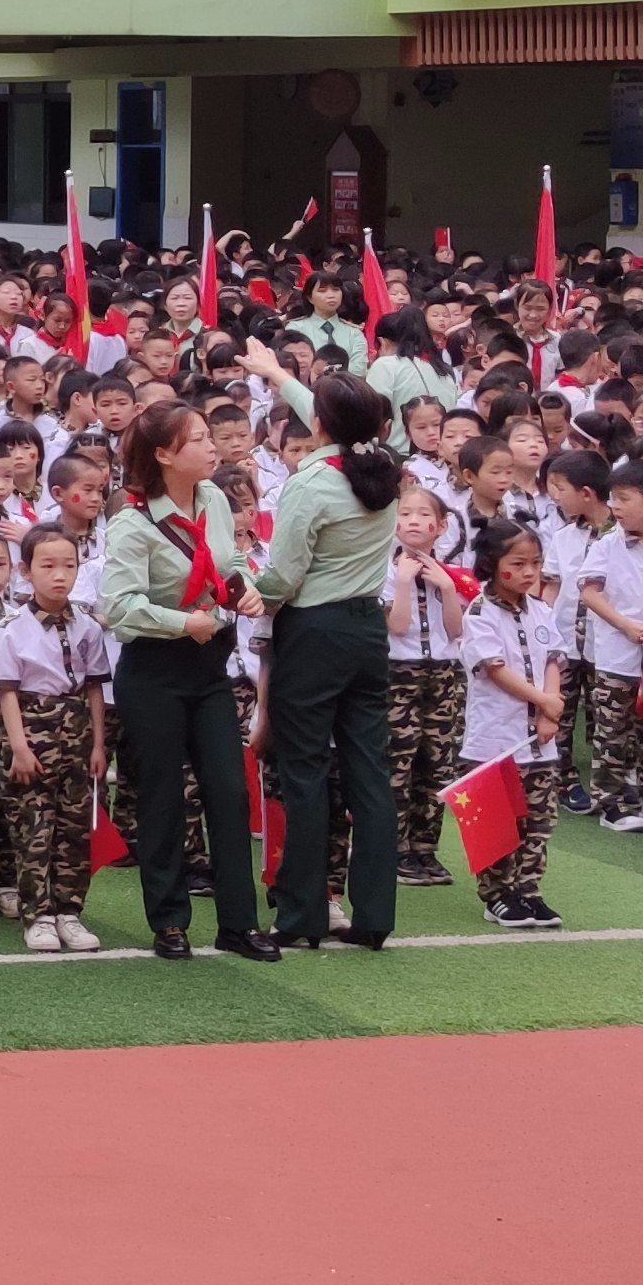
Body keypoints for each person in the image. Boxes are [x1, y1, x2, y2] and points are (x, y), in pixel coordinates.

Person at [93, 410, 264, 960]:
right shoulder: (132, 522)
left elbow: (228, 560)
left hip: (209, 666)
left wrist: (246, 587)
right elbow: (116, 607)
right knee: (163, 798)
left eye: (211, 437)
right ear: (164, 455)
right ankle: (169, 921)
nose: (211, 447)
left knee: (230, 793)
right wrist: (179, 622)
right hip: (154, 670)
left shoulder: (213, 498)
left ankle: (239, 924)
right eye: (198, 439)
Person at [250, 378, 405, 951]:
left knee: (306, 773)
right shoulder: (384, 467)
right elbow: (346, 421)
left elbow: (283, 577)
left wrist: (245, 589)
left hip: (314, 630)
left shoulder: (311, 482)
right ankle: (375, 915)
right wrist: (275, 371)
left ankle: (301, 916)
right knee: (369, 771)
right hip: (367, 628)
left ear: (316, 425)